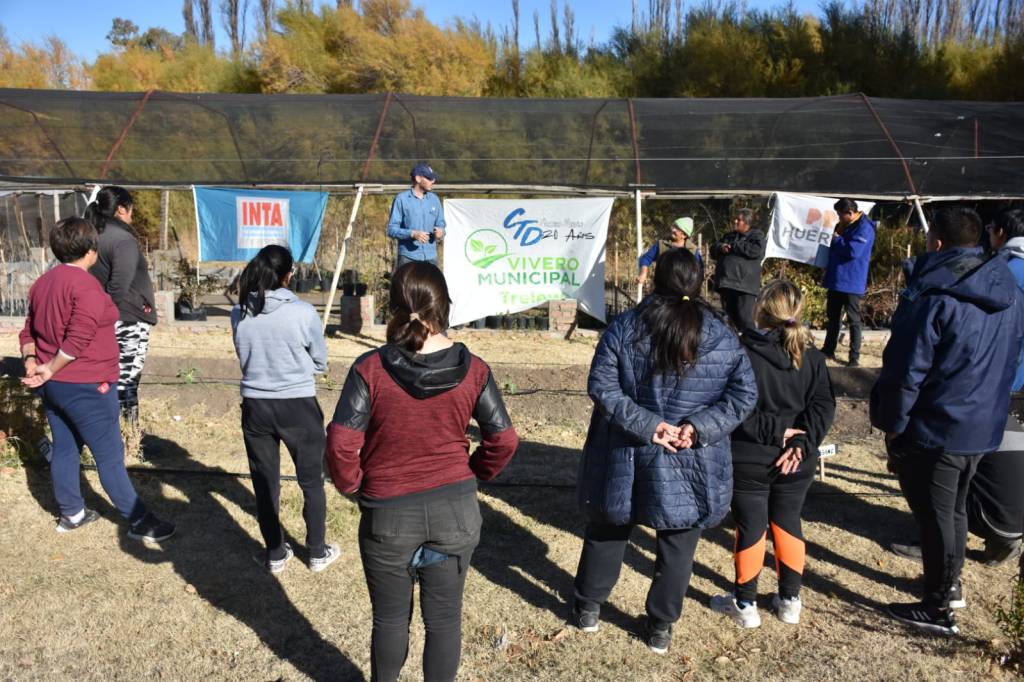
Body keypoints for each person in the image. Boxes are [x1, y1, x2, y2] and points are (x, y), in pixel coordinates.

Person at [325, 262, 518, 682]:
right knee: (444, 622)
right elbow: (503, 440)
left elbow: (341, 444)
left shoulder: (369, 369)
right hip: (456, 514)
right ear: (444, 306)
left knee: (390, 621)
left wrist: (357, 487)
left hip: (388, 516)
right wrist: (471, 474)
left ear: (393, 307)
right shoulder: (476, 370)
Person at [571, 248, 758, 654]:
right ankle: (660, 627)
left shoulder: (625, 326)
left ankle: (588, 608)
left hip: (631, 450)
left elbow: (602, 387)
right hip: (687, 457)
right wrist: (691, 428)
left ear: (656, 279)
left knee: (609, 527)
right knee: (677, 542)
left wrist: (674, 426)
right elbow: (744, 397)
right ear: (700, 280)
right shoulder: (723, 336)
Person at [870, 207, 1024, 636]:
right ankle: (948, 586)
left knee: (937, 516)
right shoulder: (1008, 289)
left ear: (936, 242)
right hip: (982, 423)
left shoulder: (937, 294)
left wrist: (894, 423)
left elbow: (906, 368)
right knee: (952, 508)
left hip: (939, 427)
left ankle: (939, 605)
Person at [19, 217, 174, 541]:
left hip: (55, 387)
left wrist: (33, 360)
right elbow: (78, 338)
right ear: (91, 250)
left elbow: (28, 330)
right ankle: (140, 521)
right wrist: (50, 366)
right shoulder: (86, 286)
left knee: (65, 447)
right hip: (87, 384)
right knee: (109, 454)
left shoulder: (42, 283)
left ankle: (72, 513)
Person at [710, 280, 835, 628]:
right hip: (796, 461)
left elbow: (732, 407)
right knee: (788, 522)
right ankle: (790, 601)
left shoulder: (741, 354)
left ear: (761, 311)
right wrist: (801, 443)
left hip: (750, 455)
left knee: (751, 526)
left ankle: (745, 604)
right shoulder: (812, 357)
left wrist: (787, 437)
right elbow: (823, 406)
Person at [230, 245, 338, 574]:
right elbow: (321, 362)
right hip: (298, 406)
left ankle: (275, 553)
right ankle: (317, 552)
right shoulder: (303, 313)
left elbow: (243, 353)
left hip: (256, 406)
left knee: (265, 483)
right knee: (311, 482)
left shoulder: (240, 312)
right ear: (288, 275)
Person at [84, 186, 158, 429]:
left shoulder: (93, 235)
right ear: (121, 209)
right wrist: (107, 315)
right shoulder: (123, 240)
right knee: (126, 379)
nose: (132, 217)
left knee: (109, 378)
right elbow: (119, 285)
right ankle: (126, 434)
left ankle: (122, 433)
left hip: (104, 316)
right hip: (127, 317)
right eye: (130, 211)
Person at [821, 198, 876, 367]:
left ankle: (854, 357)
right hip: (837, 279)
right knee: (833, 317)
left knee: (854, 320)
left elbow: (853, 251)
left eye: (840, 215)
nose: (838, 218)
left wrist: (836, 239)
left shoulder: (864, 228)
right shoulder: (846, 225)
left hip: (852, 281)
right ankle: (828, 349)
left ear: (850, 213)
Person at [711, 208, 766, 331]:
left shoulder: (757, 236)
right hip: (727, 284)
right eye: (735, 219)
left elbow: (755, 250)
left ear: (747, 223)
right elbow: (713, 249)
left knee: (745, 320)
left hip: (744, 287)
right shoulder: (729, 236)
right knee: (728, 321)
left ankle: (752, 346)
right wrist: (721, 247)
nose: (735, 221)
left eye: (739, 220)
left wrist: (734, 246)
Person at [387, 163, 446, 269]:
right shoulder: (401, 199)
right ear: (418, 178)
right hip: (408, 258)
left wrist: (441, 232)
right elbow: (392, 230)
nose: (433, 181)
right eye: (429, 178)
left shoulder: (435, 200)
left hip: (431, 258)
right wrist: (412, 234)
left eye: (434, 178)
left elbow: (441, 224)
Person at [637, 216, 703, 287]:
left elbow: (699, 271)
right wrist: (643, 273)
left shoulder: (693, 250)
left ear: (684, 235)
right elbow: (646, 258)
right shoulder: (661, 245)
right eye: (674, 226)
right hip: (662, 290)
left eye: (677, 228)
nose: (673, 229)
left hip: (684, 291)